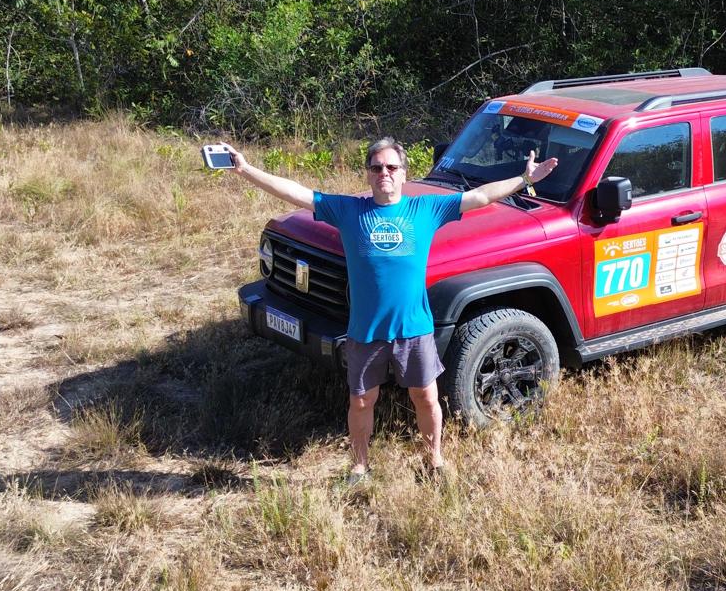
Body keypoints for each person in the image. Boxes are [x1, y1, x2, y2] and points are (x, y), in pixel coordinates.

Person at [220, 137, 557, 482]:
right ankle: (359, 466)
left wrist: (524, 179)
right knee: (361, 401)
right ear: (368, 174)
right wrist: (246, 170)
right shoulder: (348, 211)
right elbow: (296, 193)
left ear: (403, 173)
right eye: (377, 167)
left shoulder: (426, 209)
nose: (385, 173)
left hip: (414, 328)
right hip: (366, 330)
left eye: (392, 167)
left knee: (425, 397)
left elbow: (481, 196)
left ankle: (434, 461)